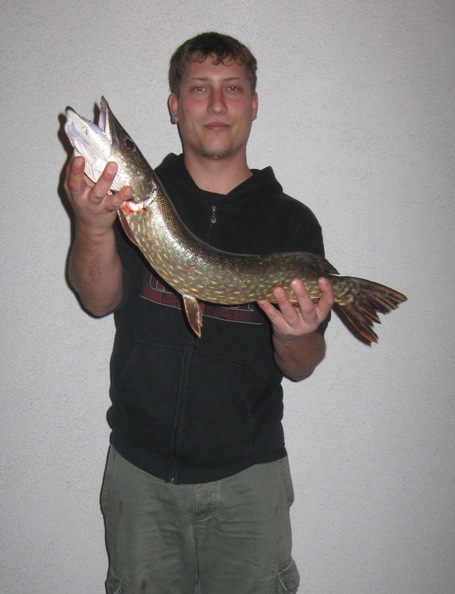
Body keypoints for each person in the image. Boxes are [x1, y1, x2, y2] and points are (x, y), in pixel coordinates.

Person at [64, 32, 334, 594]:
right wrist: (91, 225)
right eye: (198, 88)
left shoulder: (291, 223)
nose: (215, 104)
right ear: (174, 104)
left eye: (232, 89)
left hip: (249, 479)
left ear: (253, 105)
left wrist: (295, 336)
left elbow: (303, 365)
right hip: (140, 476)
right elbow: (97, 300)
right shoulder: (134, 203)